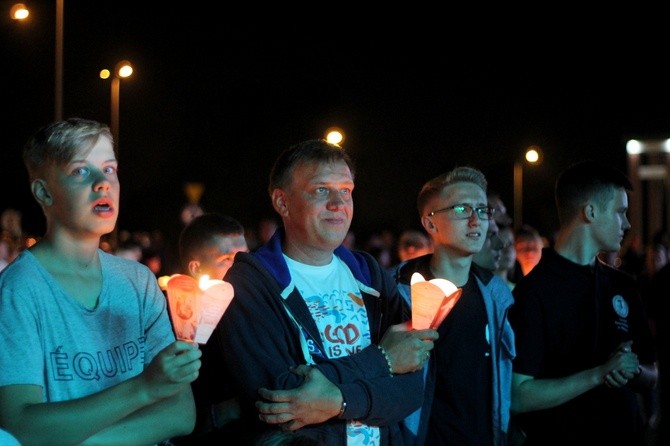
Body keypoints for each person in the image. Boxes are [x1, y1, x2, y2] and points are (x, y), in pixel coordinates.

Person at [207, 138, 439, 445]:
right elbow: (281, 397)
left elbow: (411, 389)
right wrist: (383, 360)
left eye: (346, 191)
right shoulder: (252, 282)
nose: (338, 203)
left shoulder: (368, 274)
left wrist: (338, 401)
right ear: (282, 202)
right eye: (321, 190)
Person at [0, 118, 202, 445]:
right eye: (81, 170)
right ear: (43, 192)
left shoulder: (138, 281)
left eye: (109, 169)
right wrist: (145, 388)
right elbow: (20, 426)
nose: (102, 183)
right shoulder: (18, 291)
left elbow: (181, 413)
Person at [509, 160, 658, 445]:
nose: (627, 224)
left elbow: (651, 374)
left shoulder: (623, 286)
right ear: (590, 212)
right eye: (620, 212)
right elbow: (518, 396)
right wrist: (598, 374)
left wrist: (633, 370)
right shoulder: (533, 292)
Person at [392, 166, 516, 445]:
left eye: (482, 210)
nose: (476, 221)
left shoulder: (496, 297)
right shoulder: (397, 292)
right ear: (430, 224)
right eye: (462, 210)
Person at [173, 212, 249, 444]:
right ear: (196, 268)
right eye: (227, 259)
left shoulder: (248, 310)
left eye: (245, 258)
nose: (240, 267)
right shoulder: (176, 323)